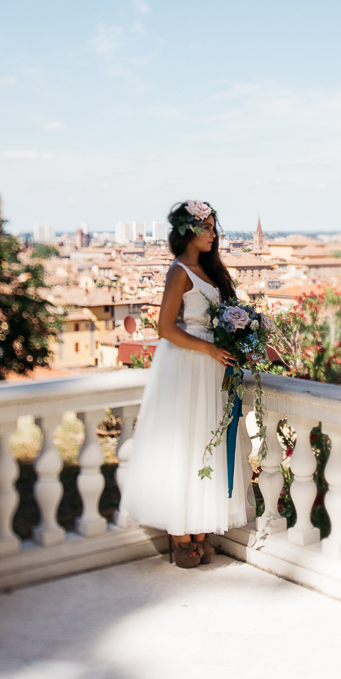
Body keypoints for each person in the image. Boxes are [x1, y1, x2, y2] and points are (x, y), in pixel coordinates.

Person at [120, 200, 250, 568]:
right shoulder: (179, 271)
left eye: (213, 227)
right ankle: (181, 533)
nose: (213, 233)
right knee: (183, 442)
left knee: (203, 441)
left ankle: (200, 529)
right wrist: (209, 348)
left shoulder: (212, 272)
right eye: (206, 227)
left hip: (209, 365)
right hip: (187, 361)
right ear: (187, 231)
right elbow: (165, 328)